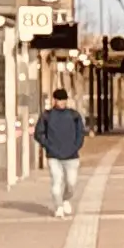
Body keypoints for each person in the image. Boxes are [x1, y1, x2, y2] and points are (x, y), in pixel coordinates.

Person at [33, 88, 87, 218]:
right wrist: (48, 146)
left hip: (72, 156)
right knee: (56, 181)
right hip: (54, 156)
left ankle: (65, 199)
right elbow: (38, 134)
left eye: (63, 100)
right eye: (58, 100)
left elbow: (80, 133)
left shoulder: (74, 116)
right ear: (54, 100)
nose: (61, 102)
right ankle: (58, 207)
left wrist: (76, 146)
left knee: (71, 183)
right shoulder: (47, 116)